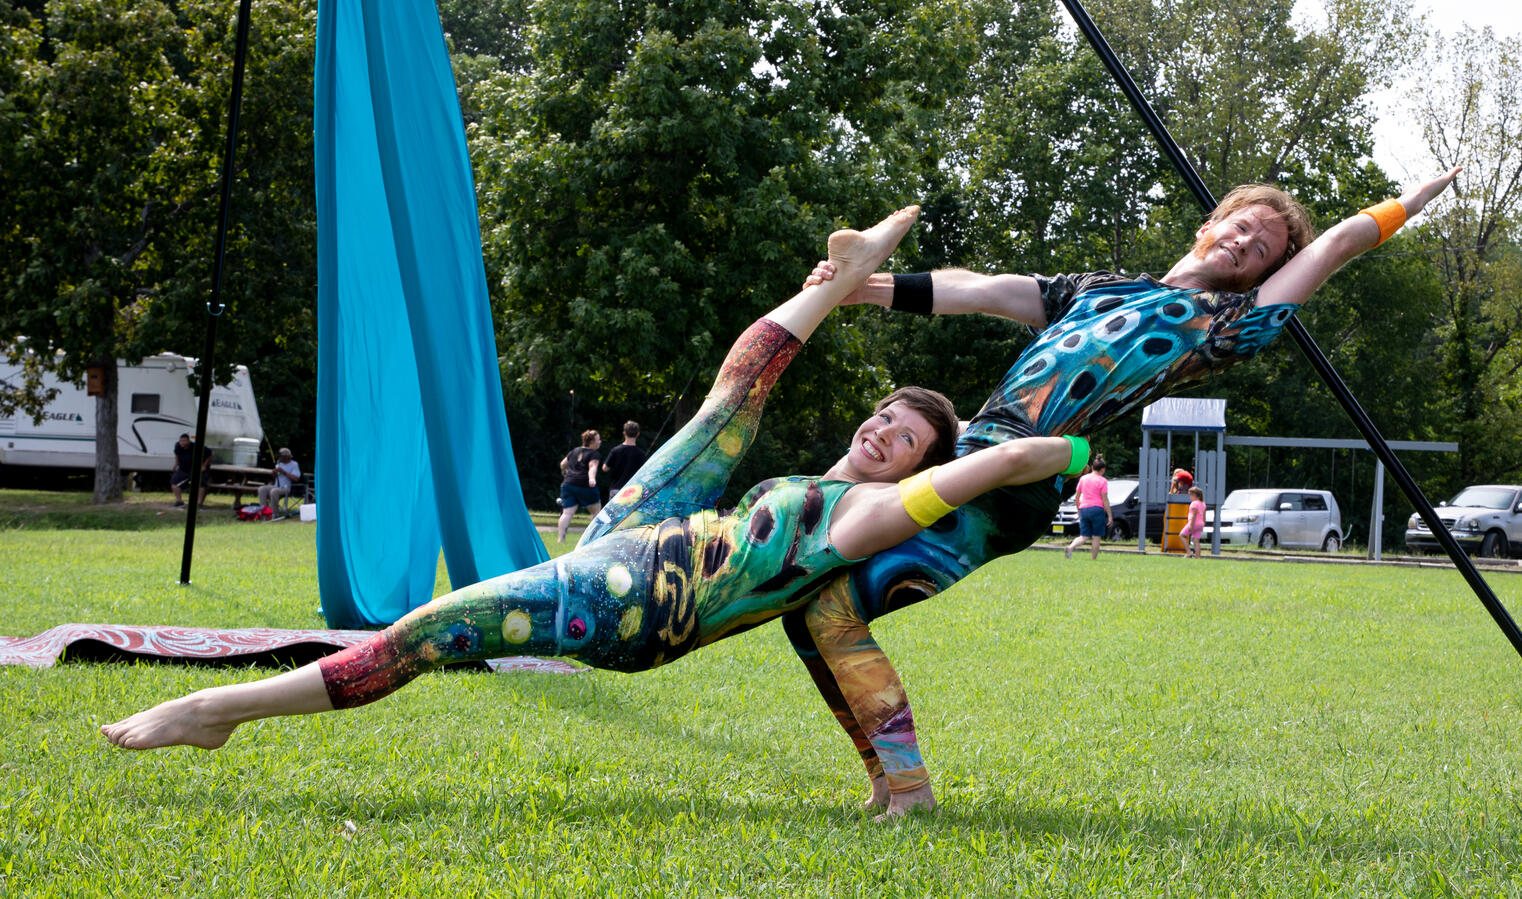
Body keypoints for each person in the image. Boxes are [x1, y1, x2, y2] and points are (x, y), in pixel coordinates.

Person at [100, 206, 1086, 761]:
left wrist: (1043, 458)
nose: (881, 434)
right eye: (881, 417)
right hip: (642, 535)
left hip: (633, 607)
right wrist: (898, 777)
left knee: (429, 631)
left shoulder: (868, 512)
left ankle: (217, 711)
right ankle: (835, 282)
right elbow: (746, 424)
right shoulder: (815, 484)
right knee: (724, 405)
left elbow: (979, 474)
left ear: (920, 460)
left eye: (903, 436)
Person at [787, 168, 1462, 818]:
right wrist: (865, 287)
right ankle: (885, 780)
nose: (1245, 245)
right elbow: (982, 289)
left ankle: (912, 792)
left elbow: (1340, 243)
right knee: (804, 606)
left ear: (1262, 274)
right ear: (1211, 222)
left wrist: (1415, 199)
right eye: (1243, 227)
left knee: (836, 608)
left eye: (1262, 251)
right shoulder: (1096, 288)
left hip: (1014, 484)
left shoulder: (1227, 323)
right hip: (966, 447)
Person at [556, 430, 602, 543]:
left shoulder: (574, 451)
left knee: (567, 513)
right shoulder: (594, 454)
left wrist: (564, 472)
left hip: (568, 483)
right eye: (598, 440)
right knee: (596, 512)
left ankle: (560, 539)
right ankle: (592, 539)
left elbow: (562, 464)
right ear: (591, 442)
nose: (600, 442)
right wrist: (592, 478)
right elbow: (592, 467)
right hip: (585, 485)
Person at [1065, 458, 1111, 560]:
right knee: (1096, 536)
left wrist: (1078, 509)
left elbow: (1077, 497)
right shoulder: (1102, 481)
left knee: (1084, 536)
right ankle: (1093, 559)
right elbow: (1105, 499)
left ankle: (1070, 547)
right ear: (1102, 470)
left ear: (1093, 467)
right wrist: (1110, 516)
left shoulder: (1083, 479)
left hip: (1084, 509)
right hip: (1097, 509)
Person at [600, 421, 647, 500]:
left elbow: (605, 468)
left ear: (624, 433)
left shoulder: (615, 450)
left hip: (616, 489)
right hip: (633, 491)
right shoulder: (641, 453)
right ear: (638, 434)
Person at [258, 448, 302, 518]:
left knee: (274, 491)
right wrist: (273, 474)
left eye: (280, 456)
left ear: (286, 456)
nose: (279, 458)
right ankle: (263, 511)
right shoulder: (279, 464)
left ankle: (274, 513)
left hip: (286, 487)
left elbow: (296, 479)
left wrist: (284, 472)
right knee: (262, 489)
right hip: (276, 486)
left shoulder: (294, 464)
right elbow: (274, 479)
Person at [1180, 485, 1206, 557]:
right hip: (1200, 524)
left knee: (1182, 535)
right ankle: (1198, 557)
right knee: (1196, 540)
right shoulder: (1203, 503)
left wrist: (1191, 525)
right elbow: (1204, 515)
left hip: (1194, 523)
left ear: (1194, 495)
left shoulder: (1194, 503)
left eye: (1190, 495)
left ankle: (1189, 552)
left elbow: (1194, 515)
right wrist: (1203, 524)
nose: (1190, 497)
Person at [169, 433, 194, 508]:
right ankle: (179, 501)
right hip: (182, 469)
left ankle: (198, 504)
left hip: (191, 470)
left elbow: (210, 454)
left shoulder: (194, 447)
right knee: (174, 483)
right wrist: (176, 464)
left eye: (184, 441)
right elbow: (177, 454)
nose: (182, 443)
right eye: (181, 441)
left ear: (188, 441)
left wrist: (204, 465)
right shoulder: (177, 446)